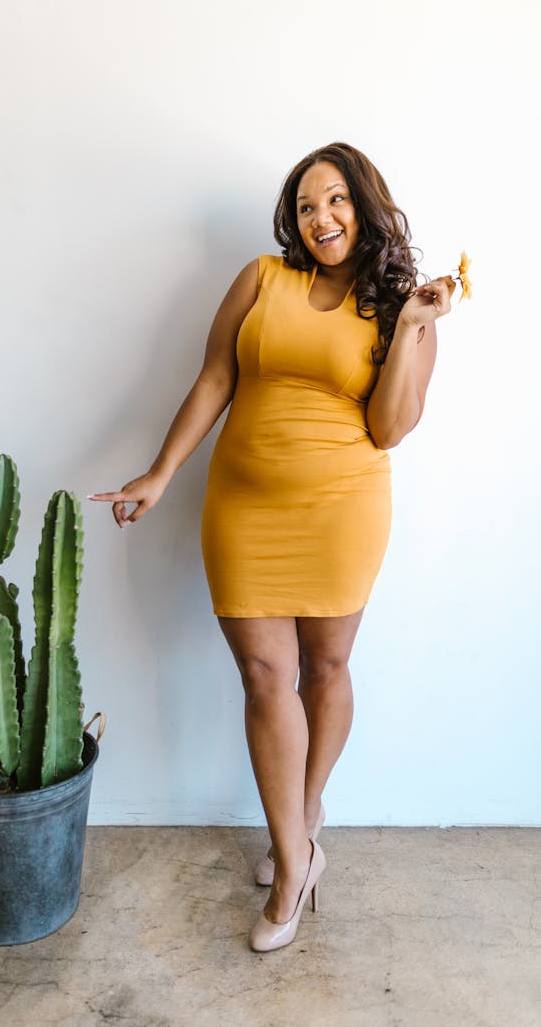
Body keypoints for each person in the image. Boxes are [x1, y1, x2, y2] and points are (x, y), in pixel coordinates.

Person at [89, 142, 454, 952]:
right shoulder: (261, 278)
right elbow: (216, 376)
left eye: (334, 201)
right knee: (264, 676)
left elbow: (390, 428)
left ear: (364, 205)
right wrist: (158, 472)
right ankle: (295, 858)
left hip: (341, 511)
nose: (319, 219)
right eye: (304, 206)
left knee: (324, 669)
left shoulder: (405, 306)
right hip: (244, 510)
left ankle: (303, 822)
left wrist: (411, 330)